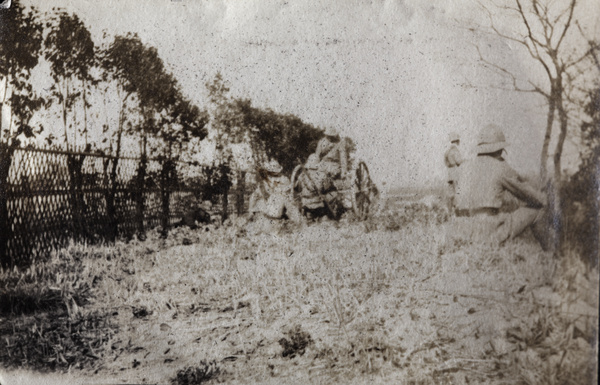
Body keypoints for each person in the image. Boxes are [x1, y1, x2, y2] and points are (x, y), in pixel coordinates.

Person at [453, 124, 552, 250]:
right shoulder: (501, 167)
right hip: (487, 233)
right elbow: (529, 195)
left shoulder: (465, 167)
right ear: (499, 150)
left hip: (464, 231)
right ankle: (550, 253)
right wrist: (544, 198)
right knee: (538, 209)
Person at [444, 132, 463, 213]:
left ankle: (450, 211)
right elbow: (459, 162)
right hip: (456, 173)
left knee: (450, 194)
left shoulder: (447, 151)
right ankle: (457, 211)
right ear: (456, 141)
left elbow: (446, 162)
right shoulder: (455, 151)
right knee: (457, 192)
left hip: (449, 174)